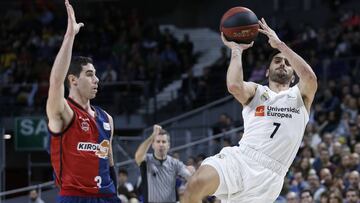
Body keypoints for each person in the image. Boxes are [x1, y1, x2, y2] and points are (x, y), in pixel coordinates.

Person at [183, 18, 317, 203]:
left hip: (269, 179)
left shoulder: (300, 97)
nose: (282, 63)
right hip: (242, 158)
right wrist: (236, 50)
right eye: (277, 60)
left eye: (287, 63)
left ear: (294, 75)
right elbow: (234, 86)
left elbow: (309, 76)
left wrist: (280, 46)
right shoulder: (258, 91)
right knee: (195, 185)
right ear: (267, 72)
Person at [46, 0, 119, 202]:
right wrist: (70, 36)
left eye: (95, 74)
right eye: (89, 74)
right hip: (75, 196)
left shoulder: (106, 118)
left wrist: (116, 194)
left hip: (107, 195)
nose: (96, 80)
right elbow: (54, 82)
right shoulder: (64, 112)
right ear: (73, 80)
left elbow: (110, 161)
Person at [134, 125, 195, 203]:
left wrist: (193, 174)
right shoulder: (146, 160)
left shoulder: (175, 163)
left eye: (164, 142)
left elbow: (190, 177)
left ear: (168, 145)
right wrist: (152, 136)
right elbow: (138, 156)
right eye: (158, 141)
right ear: (153, 145)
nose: (161, 144)